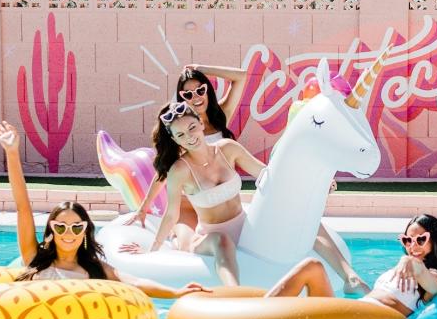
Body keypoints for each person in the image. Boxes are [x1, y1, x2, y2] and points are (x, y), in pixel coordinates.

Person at [0, 122, 209, 298]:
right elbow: (22, 207)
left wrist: (175, 293)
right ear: (52, 230)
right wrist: (12, 153)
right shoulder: (35, 258)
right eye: (61, 227)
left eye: (77, 227)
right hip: (22, 313)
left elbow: (134, 282)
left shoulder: (93, 268)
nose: (69, 233)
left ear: (85, 232)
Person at [121, 102, 361, 290]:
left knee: (304, 221)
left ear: (201, 124)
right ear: (174, 140)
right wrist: (152, 251)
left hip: (245, 227)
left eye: (192, 128)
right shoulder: (179, 171)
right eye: (181, 135)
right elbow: (171, 213)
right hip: (209, 237)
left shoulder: (228, 149)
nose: (190, 137)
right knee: (221, 241)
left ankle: (350, 278)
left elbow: (268, 175)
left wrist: (314, 182)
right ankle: (235, 295)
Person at [126, 64, 245, 248]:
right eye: (187, 94)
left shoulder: (220, 116)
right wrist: (143, 208)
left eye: (200, 90)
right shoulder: (180, 134)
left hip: (219, 203)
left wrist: (201, 69)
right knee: (185, 249)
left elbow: (241, 76)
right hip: (189, 205)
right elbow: (164, 173)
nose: (196, 97)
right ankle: (174, 236)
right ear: (182, 99)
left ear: (207, 89)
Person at [260, 214, 437, 318]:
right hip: (356, 311)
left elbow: (431, 284)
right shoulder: (402, 269)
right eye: (407, 240)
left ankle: (255, 317)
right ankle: (257, 311)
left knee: (311, 266)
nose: (413, 246)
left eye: (421, 239)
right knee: (312, 266)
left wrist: (409, 261)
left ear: (436, 240)